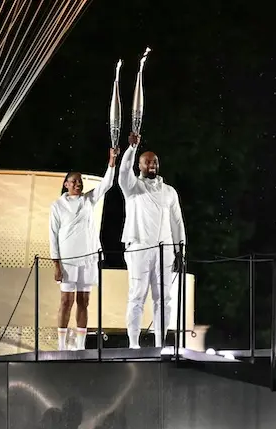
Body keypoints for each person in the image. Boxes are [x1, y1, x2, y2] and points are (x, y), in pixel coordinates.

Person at [118, 132, 186, 349]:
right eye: (147, 162)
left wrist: (180, 250)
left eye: (155, 161)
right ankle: (134, 344)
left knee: (163, 298)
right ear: (140, 165)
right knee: (137, 295)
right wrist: (131, 149)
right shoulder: (133, 188)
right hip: (139, 247)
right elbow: (122, 172)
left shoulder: (169, 192)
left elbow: (177, 222)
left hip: (164, 250)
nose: (152, 165)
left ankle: (160, 344)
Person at [49, 147, 119, 351]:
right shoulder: (57, 206)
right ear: (66, 184)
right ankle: (61, 346)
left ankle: (80, 346)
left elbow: (107, 184)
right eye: (74, 181)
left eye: (80, 182)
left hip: (88, 259)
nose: (78, 184)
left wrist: (112, 162)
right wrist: (56, 264)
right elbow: (53, 234)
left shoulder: (89, 200)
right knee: (66, 301)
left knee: (84, 301)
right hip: (68, 260)